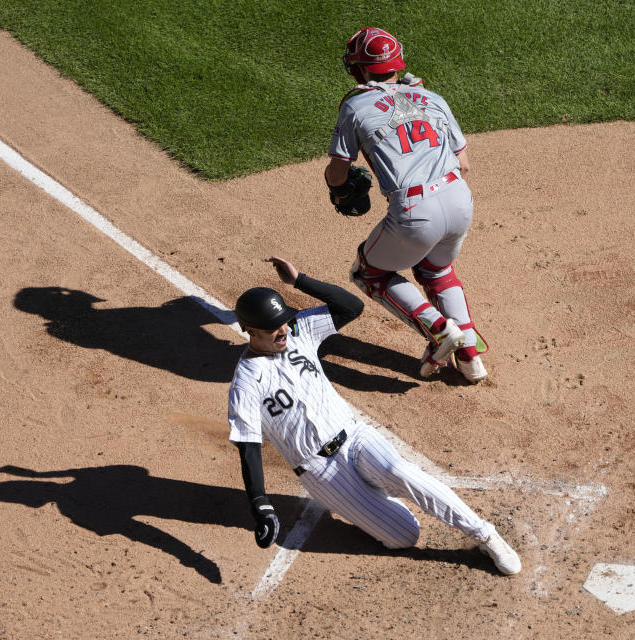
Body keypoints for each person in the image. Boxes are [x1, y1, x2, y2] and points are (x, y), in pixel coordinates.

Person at [227, 256, 521, 575]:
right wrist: (261, 505)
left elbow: (350, 306)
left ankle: (484, 534)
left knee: (403, 472)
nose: (282, 330)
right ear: (250, 331)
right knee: (405, 536)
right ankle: (372, 500)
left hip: (354, 438)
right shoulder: (245, 383)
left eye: (283, 320)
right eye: (272, 328)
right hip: (320, 472)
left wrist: (300, 281)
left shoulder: (298, 332)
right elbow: (248, 448)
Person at [324, 27, 488, 383]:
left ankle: (440, 331)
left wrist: (340, 190)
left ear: (360, 69)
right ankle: (471, 358)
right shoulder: (431, 97)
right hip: (459, 199)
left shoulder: (354, 104)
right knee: (438, 271)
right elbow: (465, 164)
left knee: (368, 272)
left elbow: (338, 173)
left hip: (415, 211)